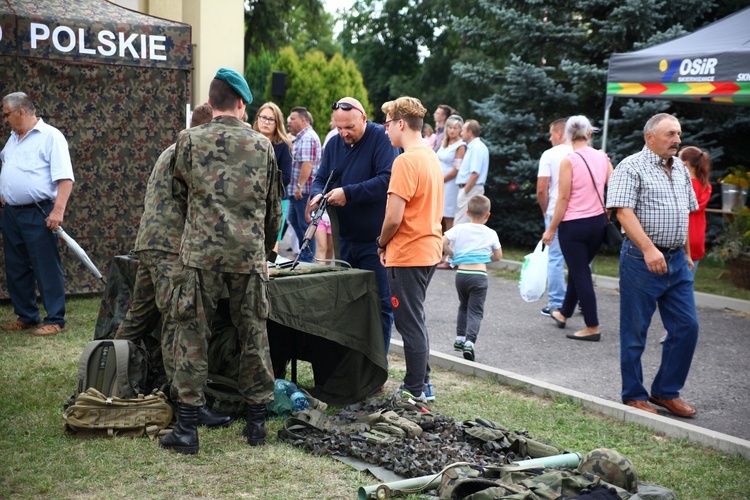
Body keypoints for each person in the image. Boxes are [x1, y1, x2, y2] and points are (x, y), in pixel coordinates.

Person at [159, 68, 283, 454]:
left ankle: (188, 429)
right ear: (242, 104)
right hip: (247, 256)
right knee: (254, 335)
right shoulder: (263, 146)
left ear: (211, 102)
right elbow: (274, 211)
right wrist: (261, 253)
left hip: (200, 255)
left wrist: (199, 230)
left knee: (192, 336)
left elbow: (177, 197)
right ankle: (257, 425)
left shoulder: (189, 140)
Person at [113, 104, 232, 428]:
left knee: (137, 318)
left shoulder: (171, 148)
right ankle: (185, 403)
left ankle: (103, 374)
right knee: (180, 324)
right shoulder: (192, 152)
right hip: (171, 249)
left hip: (150, 244)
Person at [606, 113, 699, 418]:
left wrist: (684, 253)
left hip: (676, 261)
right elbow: (623, 213)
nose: (678, 140)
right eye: (671, 134)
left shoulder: (682, 170)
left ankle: (665, 391)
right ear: (650, 137)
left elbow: (684, 213)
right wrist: (649, 250)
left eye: (679, 134)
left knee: (687, 327)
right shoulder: (630, 167)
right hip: (641, 260)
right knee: (635, 332)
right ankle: (634, 395)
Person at [309, 97, 399, 352]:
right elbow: (321, 178)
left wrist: (348, 193)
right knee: (348, 302)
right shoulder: (335, 143)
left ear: (362, 118)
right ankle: (352, 359)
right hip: (345, 238)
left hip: (375, 240)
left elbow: (386, 180)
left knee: (380, 303)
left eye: (349, 127)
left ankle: (377, 363)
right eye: (339, 127)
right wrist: (318, 194)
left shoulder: (381, 139)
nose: (344, 133)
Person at [376, 96, 443, 402]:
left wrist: (381, 243)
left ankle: (414, 389)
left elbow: (393, 217)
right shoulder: (429, 155)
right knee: (415, 319)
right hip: (428, 249)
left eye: (387, 124)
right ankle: (423, 384)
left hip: (408, 253)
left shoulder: (404, 161)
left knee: (409, 323)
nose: (385, 130)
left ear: (401, 123)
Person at [1, 92, 75, 336]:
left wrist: (58, 210)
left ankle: (55, 319)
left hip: (38, 211)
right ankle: (27, 315)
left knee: (45, 266)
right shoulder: (13, 139)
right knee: (16, 266)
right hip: (12, 213)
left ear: (21, 112)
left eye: (7, 114)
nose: (5, 120)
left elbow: (65, 178)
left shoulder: (51, 137)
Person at [542, 116, 613, 342]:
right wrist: (607, 212)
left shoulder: (569, 160)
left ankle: (592, 326)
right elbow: (614, 187)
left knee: (580, 271)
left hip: (573, 226)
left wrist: (551, 228)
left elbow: (563, 198)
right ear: (589, 134)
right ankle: (563, 313)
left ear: (568, 136)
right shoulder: (603, 157)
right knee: (578, 268)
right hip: (598, 224)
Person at [442, 194, 502, 361]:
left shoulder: (460, 228)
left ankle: (459, 338)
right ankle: (470, 342)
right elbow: (498, 256)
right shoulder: (491, 233)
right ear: (487, 215)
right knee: (475, 311)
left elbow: (442, 241)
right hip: (479, 275)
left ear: (467, 212)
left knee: (463, 306)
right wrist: (484, 258)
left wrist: (453, 254)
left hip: (461, 274)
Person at [536, 118, 572, 316]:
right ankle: (581, 300)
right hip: (579, 212)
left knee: (555, 258)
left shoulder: (550, 155)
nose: (550, 138)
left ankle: (556, 302)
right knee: (578, 259)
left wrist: (545, 209)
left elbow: (542, 189)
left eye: (551, 134)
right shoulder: (581, 153)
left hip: (555, 209)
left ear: (559, 134)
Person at [253, 102, 293, 256]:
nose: (266, 122)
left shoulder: (283, 145)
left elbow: (287, 178)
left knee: (271, 247)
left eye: (271, 119)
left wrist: (262, 185)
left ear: (278, 123)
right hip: (252, 201)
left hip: (277, 201)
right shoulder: (249, 141)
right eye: (263, 117)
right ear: (257, 119)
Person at [286, 106, 321, 262]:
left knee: (304, 226)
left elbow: (308, 164)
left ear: (303, 120)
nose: (289, 122)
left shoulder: (308, 137)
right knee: (293, 221)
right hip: (297, 191)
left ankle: (307, 258)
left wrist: (299, 187)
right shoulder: (301, 137)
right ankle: (304, 254)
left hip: (303, 192)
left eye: (292, 119)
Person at [454, 119, 489, 225]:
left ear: (470, 132)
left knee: (461, 224)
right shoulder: (472, 147)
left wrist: (464, 192)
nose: (461, 133)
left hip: (470, 190)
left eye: (463, 130)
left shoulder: (477, 148)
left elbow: (475, 174)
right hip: (469, 189)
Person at [437, 115, 466, 234]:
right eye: (450, 127)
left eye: (455, 128)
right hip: (440, 183)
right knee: (439, 215)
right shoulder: (444, 143)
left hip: (449, 185)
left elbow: (456, 170)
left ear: (460, 129)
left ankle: (450, 246)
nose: (452, 130)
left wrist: (441, 180)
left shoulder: (460, 146)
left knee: (448, 215)